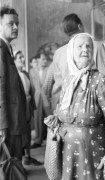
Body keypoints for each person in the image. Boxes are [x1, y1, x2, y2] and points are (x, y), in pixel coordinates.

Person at [44, 33, 105, 180]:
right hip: (67, 155)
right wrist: (56, 119)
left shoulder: (100, 81)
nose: (85, 49)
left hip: (94, 155)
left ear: (93, 52)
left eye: (89, 46)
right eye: (80, 46)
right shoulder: (68, 81)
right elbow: (65, 115)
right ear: (71, 53)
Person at [43, 13, 105, 112]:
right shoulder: (96, 46)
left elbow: (47, 85)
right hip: (88, 108)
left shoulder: (58, 53)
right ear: (80, 27)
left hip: (62, 108)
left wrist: (50, 110)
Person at [0, 6, 27, 161]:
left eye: (17, 23)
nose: (16, 27)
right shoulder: (1, 49)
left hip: (13, 121)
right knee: (9, 167)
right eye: (11, 24)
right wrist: (2, 124)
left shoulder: (6, 48)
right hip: (9, 123)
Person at [14, 50, 42, 166]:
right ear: (14, 60)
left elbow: (31, 90)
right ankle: (19, 161)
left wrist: (31, 106)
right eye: (19, 58)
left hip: (27, 106)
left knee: (28, 132)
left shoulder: (25, 73)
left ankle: (28, 157)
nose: (23, 59)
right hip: (18, 107)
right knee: (20, 133)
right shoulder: (14, 75)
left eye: (23, 57)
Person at [30, 52, 51, 148]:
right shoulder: (32, 71)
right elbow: (31, 87)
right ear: (38, 60)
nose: (45, 61)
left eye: (46, 59)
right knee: (37, 119)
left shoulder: (49, 70)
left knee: (50, 118)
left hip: (47, 98)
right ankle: (38, 140)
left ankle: (51, 140)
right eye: (43, 59)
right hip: (37, 98)